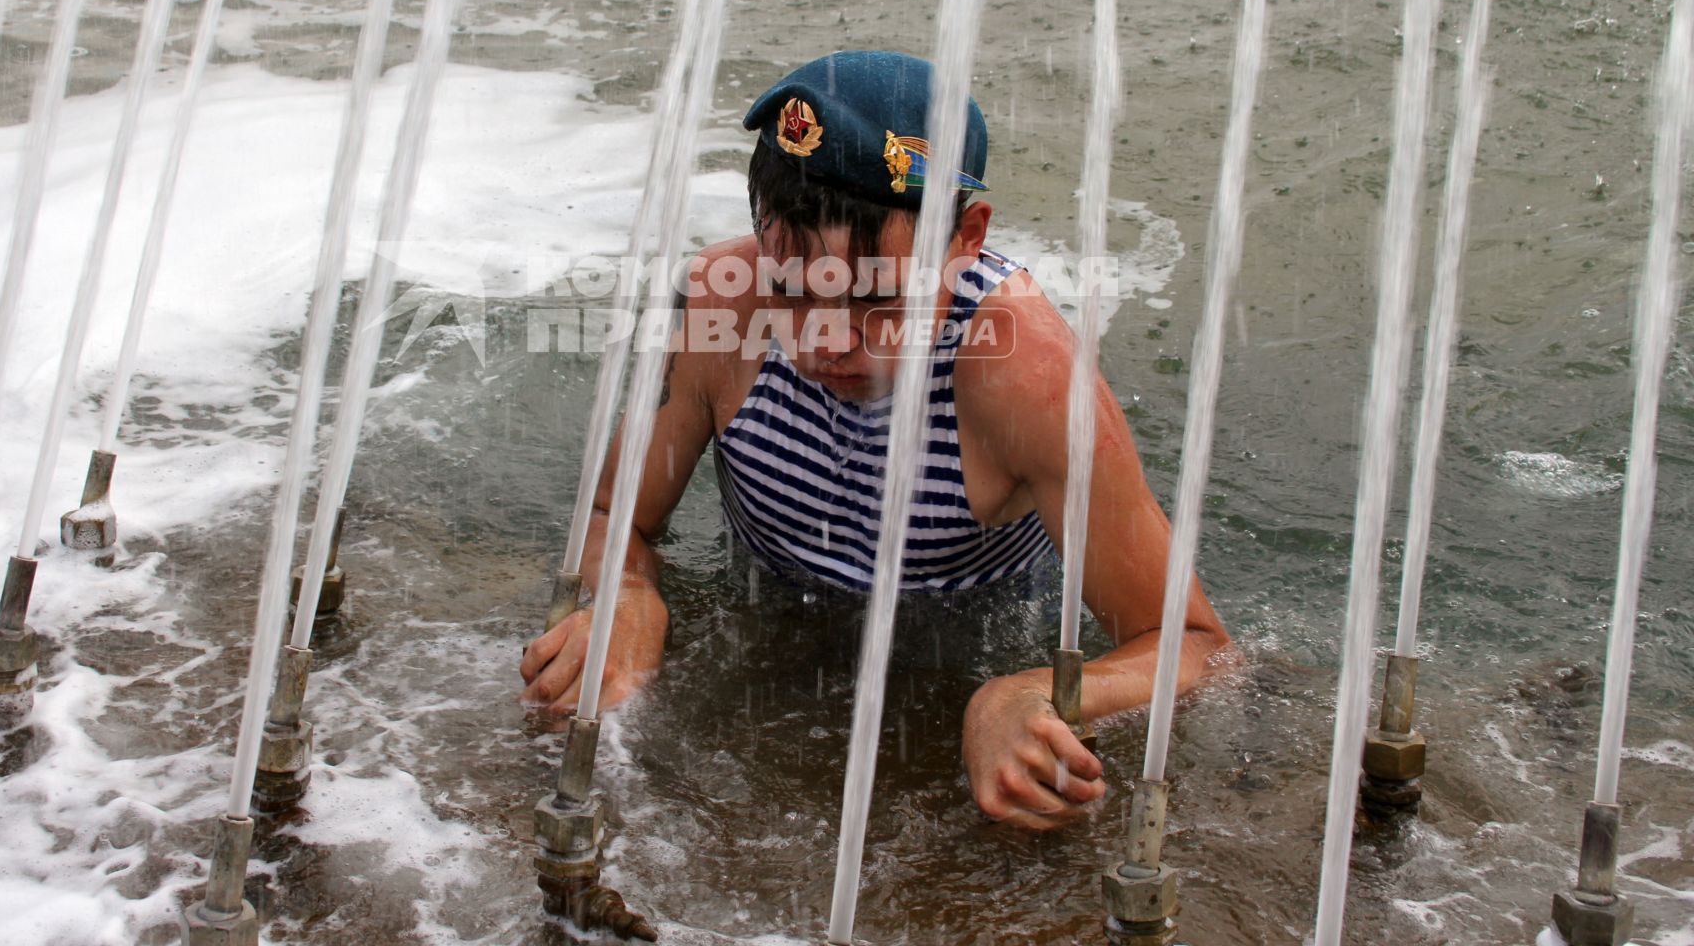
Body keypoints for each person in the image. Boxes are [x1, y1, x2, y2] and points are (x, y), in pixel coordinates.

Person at [520, 49, 1228, 829]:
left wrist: (1029, 693)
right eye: (795, 293)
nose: (828, 344)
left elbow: (1196, 645)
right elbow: (617, 514)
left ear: (966, 237)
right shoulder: (724, 304)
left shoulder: (1027, 378)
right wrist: (627, 594)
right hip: (774, 622)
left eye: (878, 302)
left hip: (959, 645)